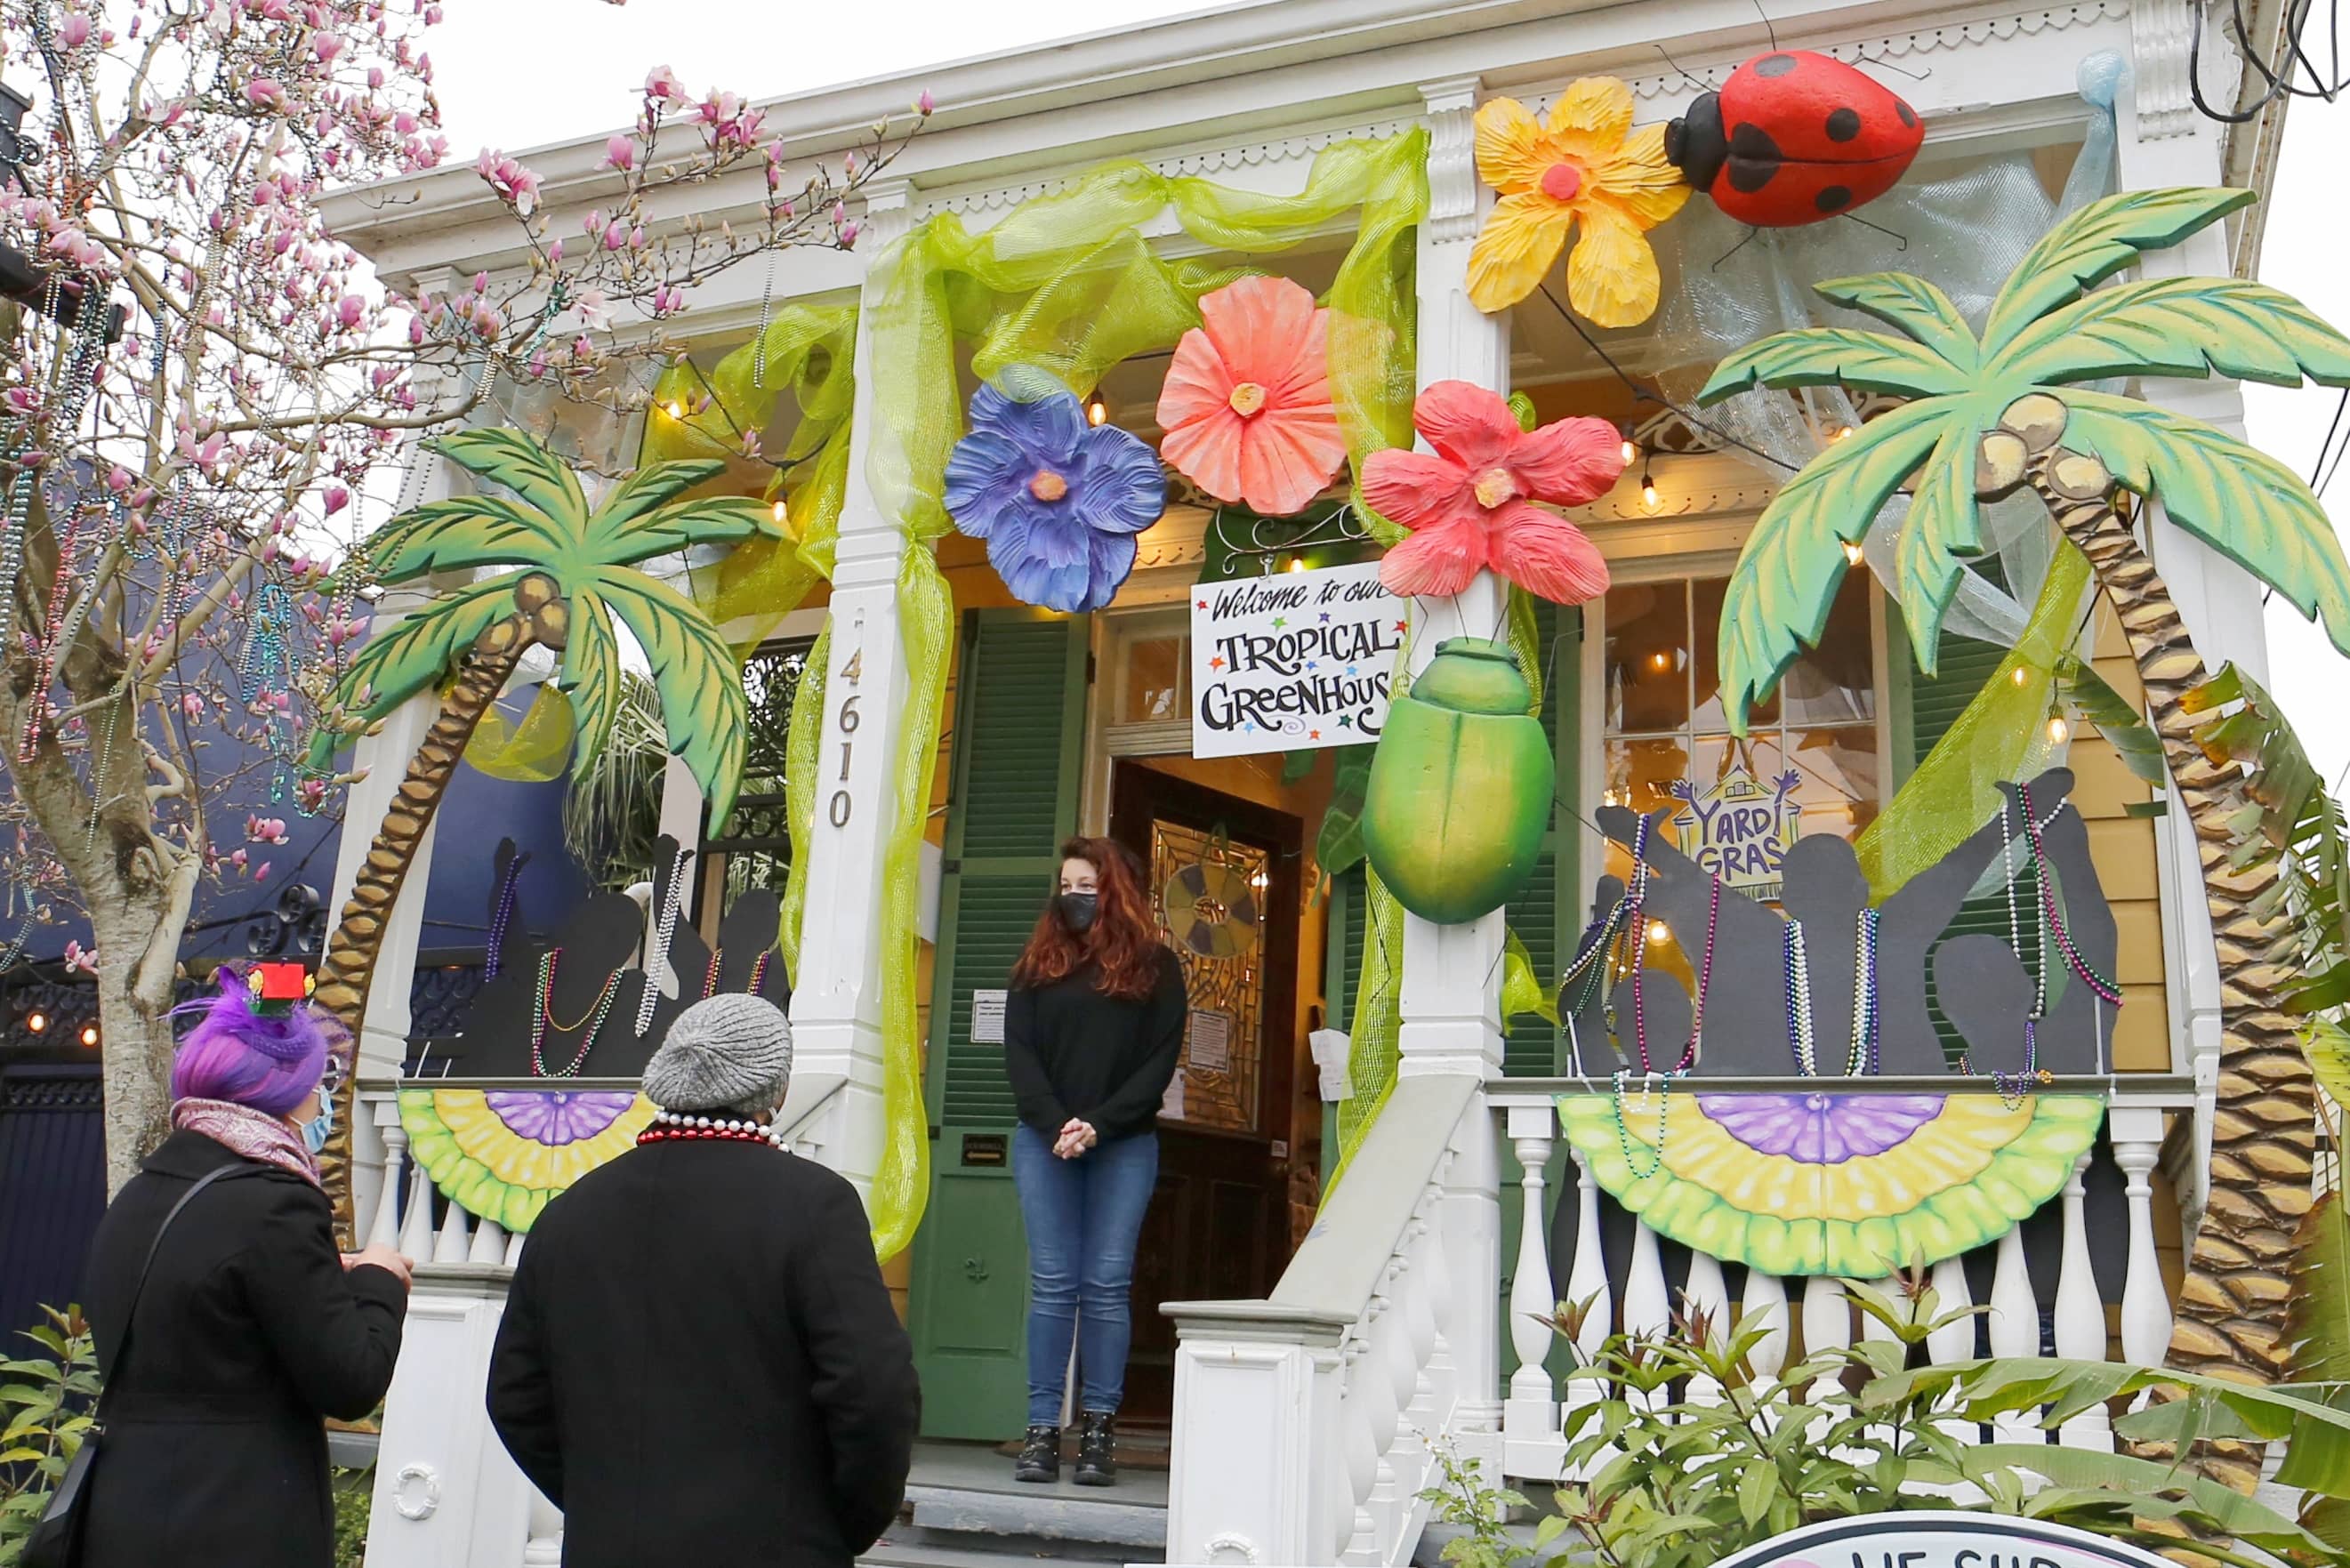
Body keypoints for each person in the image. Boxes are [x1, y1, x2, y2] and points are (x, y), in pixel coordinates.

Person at [487, 993, 919, 1567]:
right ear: (778, 1090)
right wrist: (836, 1523)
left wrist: (605, 1502)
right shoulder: (814, 1206)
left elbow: (515, 1395)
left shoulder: (570, 1212)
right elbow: (875, 1391)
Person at [77, 976, 412, 1568]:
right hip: (236, 1519)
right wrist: (379, 1280)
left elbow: (204, 1306)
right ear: (282, 1092)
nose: (322, 1105)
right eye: (317, 1087)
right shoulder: (275, 1201)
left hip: (122, 1511)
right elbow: (351, 1380)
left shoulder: (143, 1194)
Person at [1002, 835, 1187, 1487]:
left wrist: (1098, 1126)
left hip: (1124, 1144)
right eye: (1067, 885)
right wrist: (1058, 1123)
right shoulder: (1034, 966)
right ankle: (1042, 1430)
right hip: (1043, 1140)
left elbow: (1157, 1065)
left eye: (1087, 886)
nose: (1073, 896)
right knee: (1053, 1282)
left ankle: (1100, 1429)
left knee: (1106, 1284)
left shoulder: (1159, 968)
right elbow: (1019, 1055)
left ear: (1116, 892)